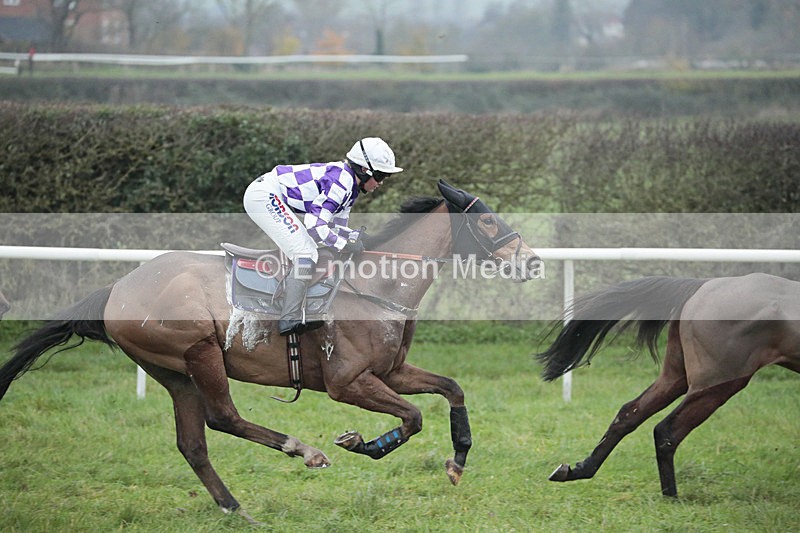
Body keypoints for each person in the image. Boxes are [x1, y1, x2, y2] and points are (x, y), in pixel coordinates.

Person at [243, 137, 403, 336]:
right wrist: (345, 244)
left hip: (271, 194)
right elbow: (315, 225)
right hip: (264, 195)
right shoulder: (341, 183)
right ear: (364, 170)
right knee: (306, 252)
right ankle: (289, 318)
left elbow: (335, 227)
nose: (380, 183)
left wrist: (359, 238)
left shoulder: (350, 188)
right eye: (379, 176)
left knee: (313, 249)